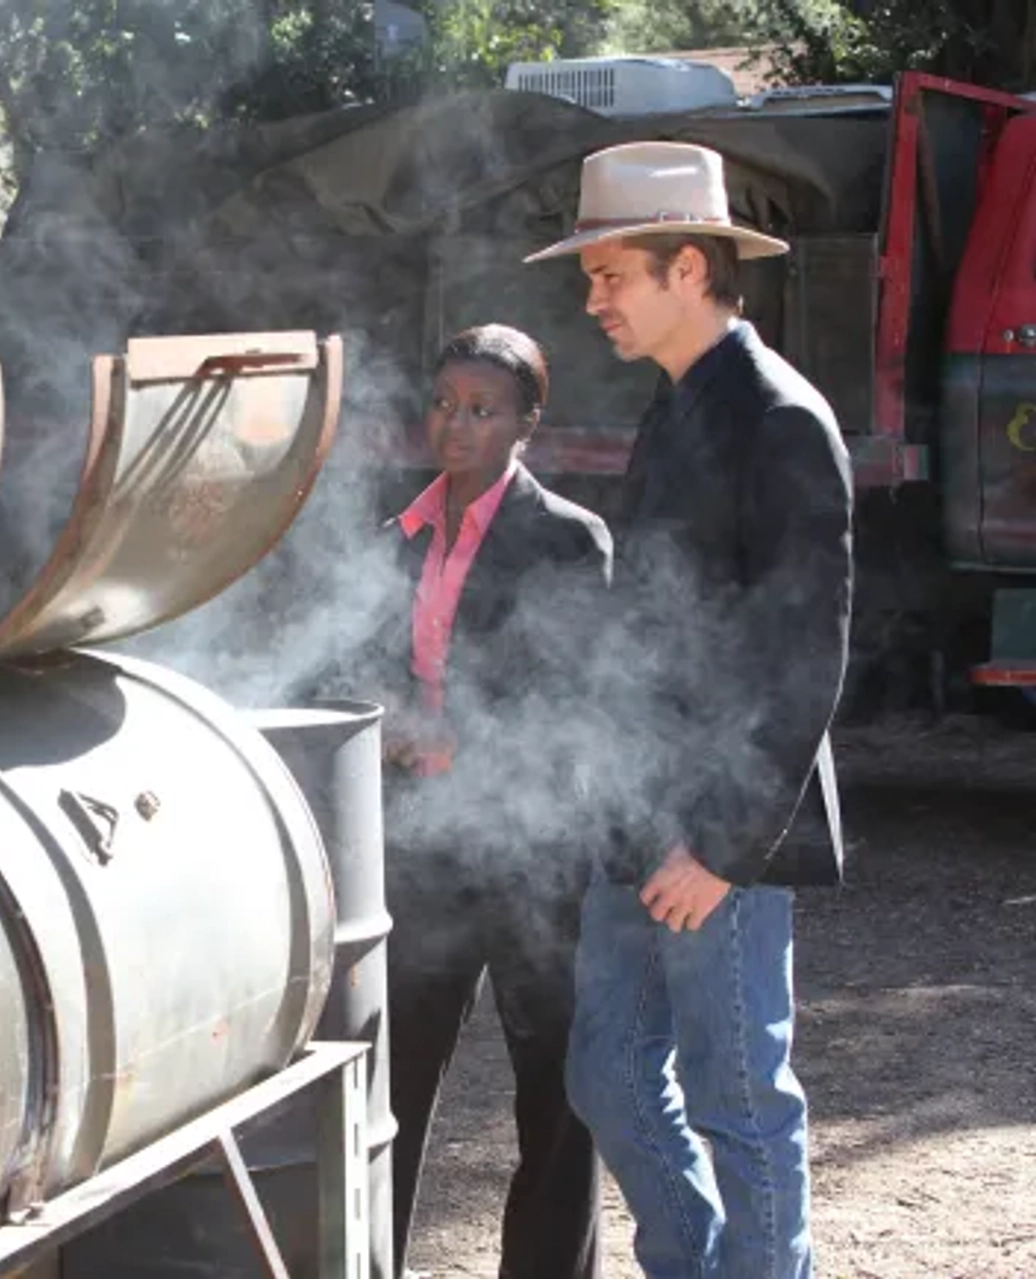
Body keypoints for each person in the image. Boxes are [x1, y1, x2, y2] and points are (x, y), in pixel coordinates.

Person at [523, 141, 854, 1278]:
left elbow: (805, 656)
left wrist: (720, 848)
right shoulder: (675, 406)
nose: (592, 297)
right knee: (606, 1072)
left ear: (692, 270)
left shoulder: (780, 417)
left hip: (724, 836)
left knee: (741, 1100)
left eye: (613, 273)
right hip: (639, 817)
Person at [371, 325, 612, 1279]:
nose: (456, 426)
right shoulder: (398, 535)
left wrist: (457, 734)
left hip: (531, 849)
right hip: (420, 844)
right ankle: (369, 1258)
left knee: (553, 1095)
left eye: (483, 410)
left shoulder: (566, 538)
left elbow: (579, 696)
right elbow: (365, 667)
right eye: (443, 404)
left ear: (527, 425)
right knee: (389, 1082)